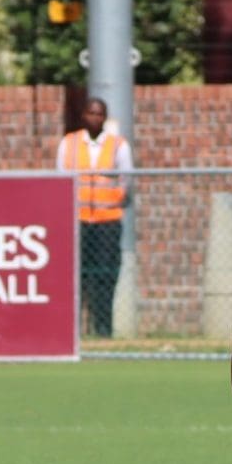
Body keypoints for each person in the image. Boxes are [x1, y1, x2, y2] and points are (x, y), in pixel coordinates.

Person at [56, 97, 132, 338]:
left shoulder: (118, 145)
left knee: (105, 276)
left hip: (107, 220)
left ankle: (102, 330)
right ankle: (74, 332)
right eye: (90, 113)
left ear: (104, 117)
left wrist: (115, 198)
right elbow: (60, 178)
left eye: (99, 114)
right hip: (77, 221)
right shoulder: (69, 143)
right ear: (83, 115)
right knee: (77, 277)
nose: (94, 118)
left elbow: (126, 180)